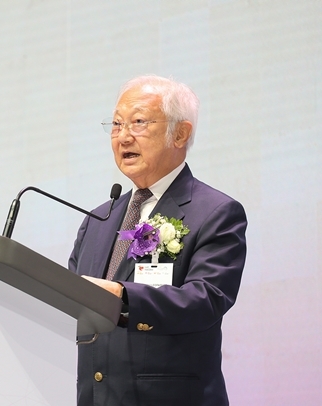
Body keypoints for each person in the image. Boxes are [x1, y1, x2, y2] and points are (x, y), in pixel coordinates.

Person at [69, 75, 247, 406]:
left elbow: (206, 299)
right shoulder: (96, 221)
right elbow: (71, 308)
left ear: (180, 134)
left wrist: (123, 296)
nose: (123, 137)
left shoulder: (215, 212)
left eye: (138, 122)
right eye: (116, 124)